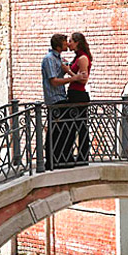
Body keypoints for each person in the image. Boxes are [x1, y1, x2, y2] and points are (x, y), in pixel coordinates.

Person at [41, 33, 86, 169]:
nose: (67, 44)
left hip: (61, 98)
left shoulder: (57, 59)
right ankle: (53, 161)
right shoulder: (49, 59)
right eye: (65, 42)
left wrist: (67, 70)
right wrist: (73, 78)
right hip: (55, 100)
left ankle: (62, 159)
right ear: (59, 44)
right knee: (57, 131)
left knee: (64, 130)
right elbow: (54, 81)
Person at [62, 32, 92, 165]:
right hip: (74, 93)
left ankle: (82, 157)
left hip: (78, 94)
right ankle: (71, 156)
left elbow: (83, 80)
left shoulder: (82, 59)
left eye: (71, 41)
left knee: (80, 126)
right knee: (73, 126)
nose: (69, 44)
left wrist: (68, 71)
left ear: (77, 42)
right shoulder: (78, 57)